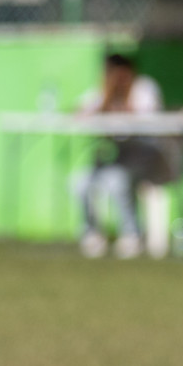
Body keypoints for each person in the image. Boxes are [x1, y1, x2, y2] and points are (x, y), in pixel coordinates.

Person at [75, 53, 166, 260]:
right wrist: (105, 100)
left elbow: (149, 119)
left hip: (147, 155)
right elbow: (80, 111)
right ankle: (92, 236)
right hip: (118, 157)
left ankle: (131, 235)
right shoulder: (104, 90)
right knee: (80, 182)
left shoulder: (144, 88)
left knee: (116, 180)